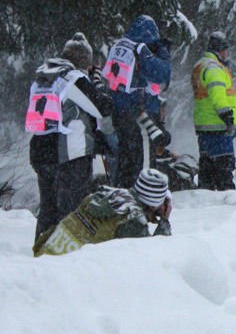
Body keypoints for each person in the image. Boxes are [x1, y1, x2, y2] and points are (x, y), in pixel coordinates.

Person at [26, 33, 115, 242]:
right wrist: (96, 82)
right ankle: (67, 260)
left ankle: (42, 250)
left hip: (41, 151)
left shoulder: (42, 78)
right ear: (85, 61)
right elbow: (102, 107)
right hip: (68, 155)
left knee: (48, 210)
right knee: (71, 211)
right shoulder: (73, 78)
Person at [34, 169, 172, 257]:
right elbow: (151, 259)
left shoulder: (106, 194)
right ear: (154, 203)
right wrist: (164, 222)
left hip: (43, 257)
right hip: (62, 276)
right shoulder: (132, 220)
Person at [101, 15, 171, 189]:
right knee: (138, 164)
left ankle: (122, 193)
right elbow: (162, 73)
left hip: (118, 111)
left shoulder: (118, 46)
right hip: (136, 114)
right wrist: (162, 49)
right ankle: (135, 200)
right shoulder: (140, 49)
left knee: (124, 162)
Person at [191, 31, 236, 190]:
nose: (227, 54)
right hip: (218, 126)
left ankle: (205, 198)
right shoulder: (214, 69)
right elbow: (218, 95)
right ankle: (226, 203)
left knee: (207, 169)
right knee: (224, 168)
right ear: (219, 50)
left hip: (205, 126)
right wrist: (227, 117)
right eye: (226, 50)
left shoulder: (202, 65)